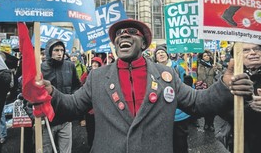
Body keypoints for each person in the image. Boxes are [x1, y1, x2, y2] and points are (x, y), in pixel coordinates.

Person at [38, 19, 253, 153]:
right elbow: (73, 106)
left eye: (131, 31)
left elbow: (198, 103)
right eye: (118, 35)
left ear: (143, 44)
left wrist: (224, 84)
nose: (123, 35)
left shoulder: (166, 75)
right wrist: (50, 94)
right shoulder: (97, 77)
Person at [216, 43, 261, 153]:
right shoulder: (229, 78)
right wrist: (250, 106)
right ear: (236, 56)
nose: (253, 53)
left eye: (257, 49)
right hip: (244, 140)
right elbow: (223, 112)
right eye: (246, 50)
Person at [41, 39, 81, 153]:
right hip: (47, 120)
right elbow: (29, 96)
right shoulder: (40, 68)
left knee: (66, 151)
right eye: (56, 50)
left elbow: (76, 86)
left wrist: (73, 103)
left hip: (66, 118)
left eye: (62, 50)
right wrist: (35, 117)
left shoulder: (70, 66)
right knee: (46, 150)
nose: (60, 53)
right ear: (49, 51)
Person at [154, 46, 190, 153]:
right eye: (158, 53)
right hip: (161, 113)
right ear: (155, 57)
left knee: (181, 143)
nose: (161, 54)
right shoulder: (152, 71)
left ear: (167, 54)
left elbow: (189, 92)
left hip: (178, 112)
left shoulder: (179, 68)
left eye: (163, 52)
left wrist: (188, 84)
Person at [80, 56, 103, 150]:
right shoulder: (86, 75)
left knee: (100, 130)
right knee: (90, 129)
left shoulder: (104, 75)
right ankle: (91, 146)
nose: (94, 64)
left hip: (100, 108)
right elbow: (81, 88)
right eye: (93, 63)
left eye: (97, 63)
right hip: (89, 108)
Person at [197, 49, 222, 132]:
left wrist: (216, 70)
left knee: (213, 108)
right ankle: (206, 123)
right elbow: (199, 76)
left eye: (207, 55)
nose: (206, 57)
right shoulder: (199, 65)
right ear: (202, 57)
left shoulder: (215, 64)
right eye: (204, 56)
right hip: (203, 89)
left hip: (213, 88)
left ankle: (211, 124)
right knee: (205, 107)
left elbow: (220, 75)